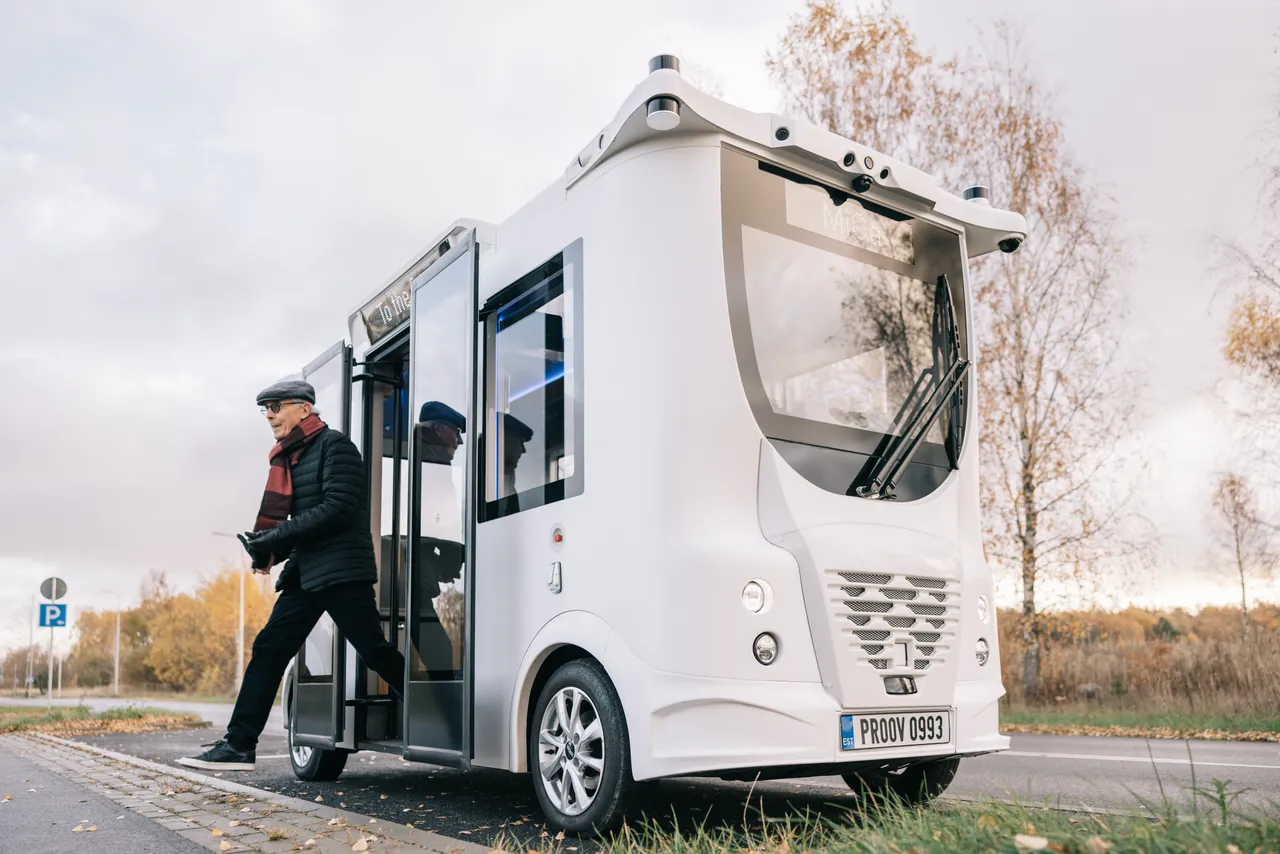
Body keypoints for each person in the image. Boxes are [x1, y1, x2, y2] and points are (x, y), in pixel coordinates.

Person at [177, 379, 406, 771]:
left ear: (304, 408)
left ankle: (432, 709)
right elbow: (303, 524)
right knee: (269, 649)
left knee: (374, 651)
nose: (269, 414)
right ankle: (239, 745)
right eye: (265, 407)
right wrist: (268, 547)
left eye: (276, 405)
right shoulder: (291, 457)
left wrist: (277, 535)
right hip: (306, 574)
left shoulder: (336, 446)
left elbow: (338, 508)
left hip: (341, 572)